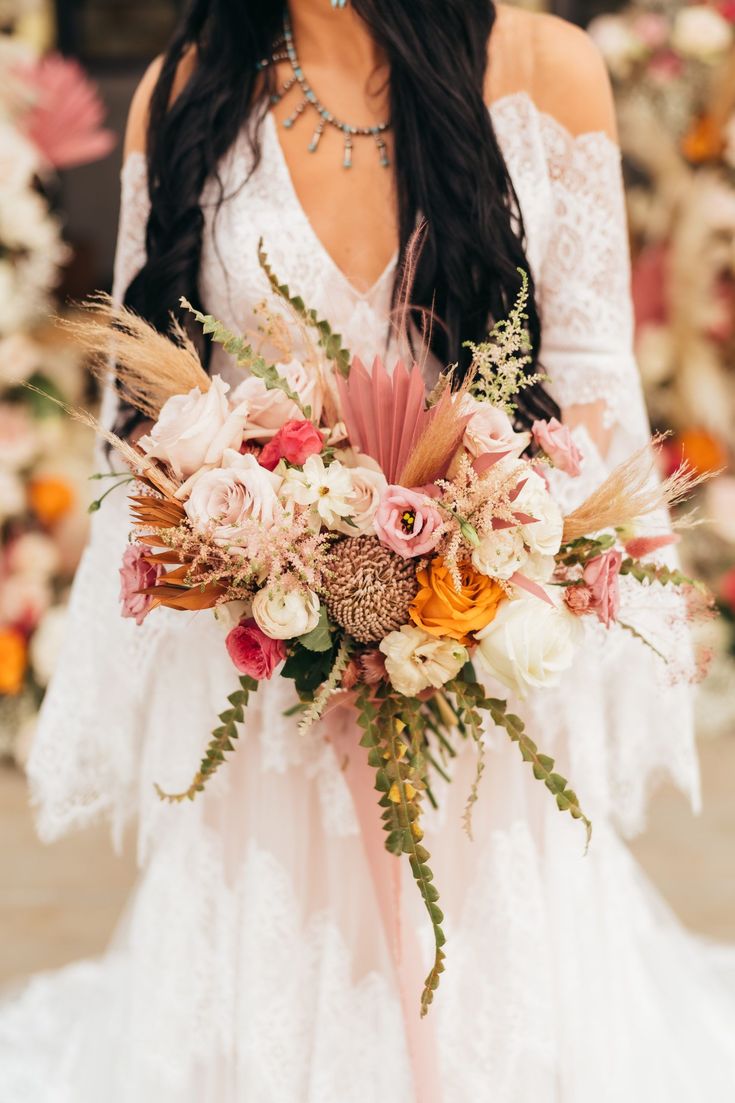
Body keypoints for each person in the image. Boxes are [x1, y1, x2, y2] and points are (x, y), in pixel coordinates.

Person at [2, 2, 734, 1100]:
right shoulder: (189, 91)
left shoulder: (544, 71)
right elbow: (144, 409)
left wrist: (492, 560)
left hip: (478, 646)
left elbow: (592, 383)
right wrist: (275, 553)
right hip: (265, 669)